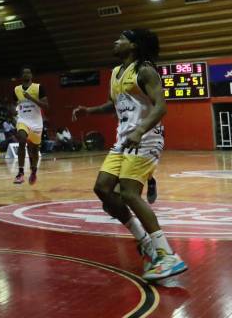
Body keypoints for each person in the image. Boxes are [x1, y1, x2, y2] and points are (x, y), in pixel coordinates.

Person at [72, 29, 186, 281]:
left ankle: (167, 255)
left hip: (147, 137)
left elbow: (161, 106)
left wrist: (141, 129)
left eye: (121, 38)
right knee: (102, 188)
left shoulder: (144, 70)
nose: (115, 41)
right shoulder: (115, 73)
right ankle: (145, 242)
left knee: (129, 193)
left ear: (133, 45)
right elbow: (114, 104)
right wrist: (89, 110)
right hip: (124, 138)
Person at [13, 67, 49, 185]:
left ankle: (33, 171)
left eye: (28, 72)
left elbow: (46, 106)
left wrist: (31, 98)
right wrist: (14, 110)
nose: (26, 74)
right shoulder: (16, 89)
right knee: (22, 140)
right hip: (23, 120)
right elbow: (14, 106)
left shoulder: (39, 87)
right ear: (21, 76)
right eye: (24, 73)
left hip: (36, 122)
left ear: (31, 75)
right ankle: (20, 172)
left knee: (34, 149)